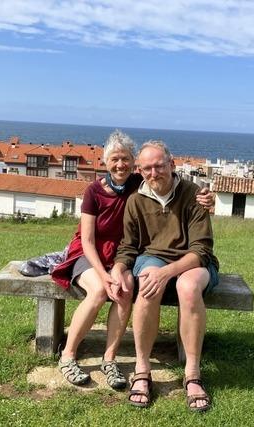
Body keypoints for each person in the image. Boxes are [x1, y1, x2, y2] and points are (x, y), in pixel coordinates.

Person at [51, 131, 214, 390]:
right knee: (100, 292)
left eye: (125, 159)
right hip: (92, 255)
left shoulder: (143, 183)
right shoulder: (99, 192)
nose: (120, 165)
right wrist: (108, 273)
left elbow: (171, 180)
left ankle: (110, 358)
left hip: (132, 258)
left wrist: (208, 197)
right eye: (114, 159)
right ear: (105, 162)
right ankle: (69, 354)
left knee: (127, 289)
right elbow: (90, 241)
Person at [111, 140, 219, 412]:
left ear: (171, 165)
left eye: (159, 166)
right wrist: (119, 267)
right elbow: (129, 246)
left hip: (193, 260)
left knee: (188, 285)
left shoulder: (194, 195)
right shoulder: (136, 200)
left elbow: (201, 249)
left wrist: (168, 272)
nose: (153, 173)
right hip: (152, 257)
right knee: (147, 282)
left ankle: (192, 374)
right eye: (146, 168)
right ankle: (142, 369)